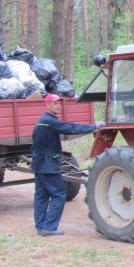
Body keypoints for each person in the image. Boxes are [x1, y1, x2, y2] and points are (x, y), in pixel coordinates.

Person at [31, 94, 103, 236]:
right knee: (59, 194)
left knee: (41, 195)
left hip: (39, 163)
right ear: (47, 105)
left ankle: (40, 226)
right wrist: (94, 127)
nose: (58, 106)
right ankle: (49, 227)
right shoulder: (49, 122)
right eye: (55, 103)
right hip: (48, 164)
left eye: (59, 103)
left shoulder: (42, 121)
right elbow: (71, 128)